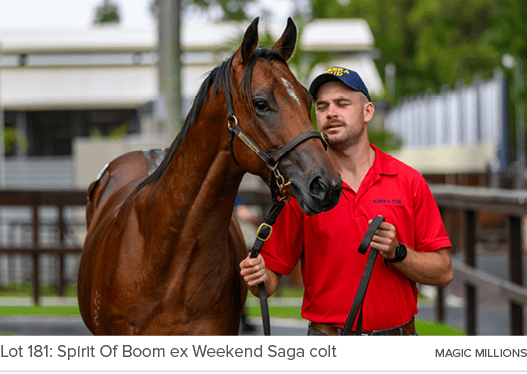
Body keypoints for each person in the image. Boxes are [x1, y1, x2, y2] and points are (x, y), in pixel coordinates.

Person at [239, 66, 453, 336]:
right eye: (322, 106)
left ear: (367, 112)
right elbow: (268, 281)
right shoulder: (304, 188)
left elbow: (443, 272)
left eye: (342, 104)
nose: (330, 113)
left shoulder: (408, 181)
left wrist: (397, 252)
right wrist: (257, 274)